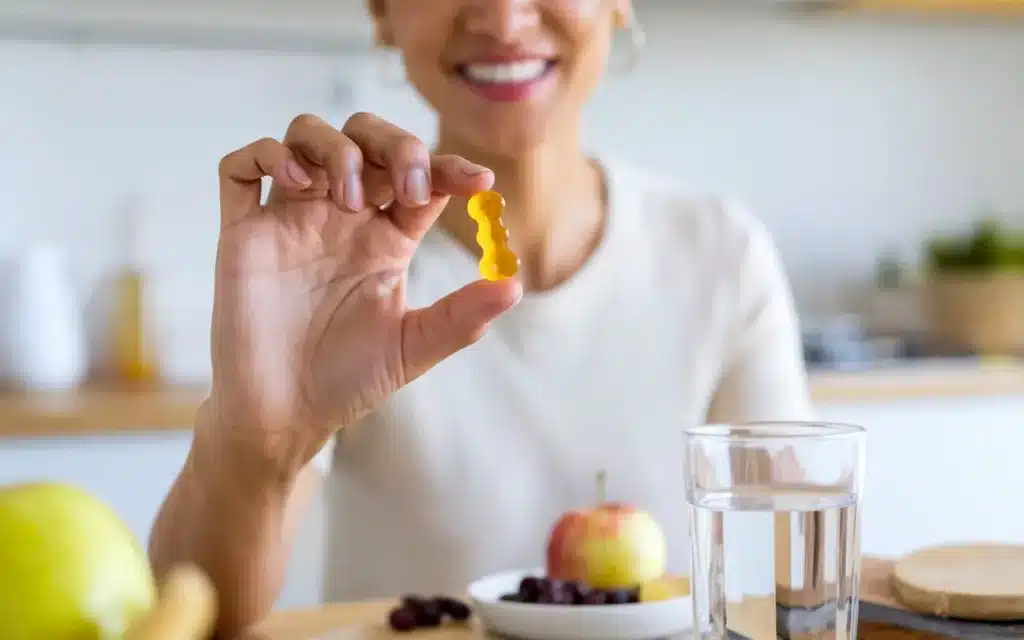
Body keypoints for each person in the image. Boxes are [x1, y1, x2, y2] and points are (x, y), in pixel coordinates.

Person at [148, 0, 812, 635]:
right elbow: (191, 617)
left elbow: (802, 576)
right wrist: (258, 439)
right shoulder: (340, 275)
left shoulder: (721, 252)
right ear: (381, 10)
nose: (502, 17)